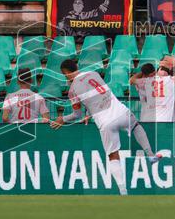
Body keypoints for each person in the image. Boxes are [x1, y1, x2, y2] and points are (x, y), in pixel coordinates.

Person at [51, 58, 163, 196]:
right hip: (120, 112)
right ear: (77, 66)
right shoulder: (94, 74)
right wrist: (89, 111)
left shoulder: (72, 90)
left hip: (104, 122)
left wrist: (63, 118)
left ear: (66, 73)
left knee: (113, 155)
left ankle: (123, 190)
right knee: (135, 126)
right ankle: (151, 155)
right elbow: (98, 94)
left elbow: (77, 114)